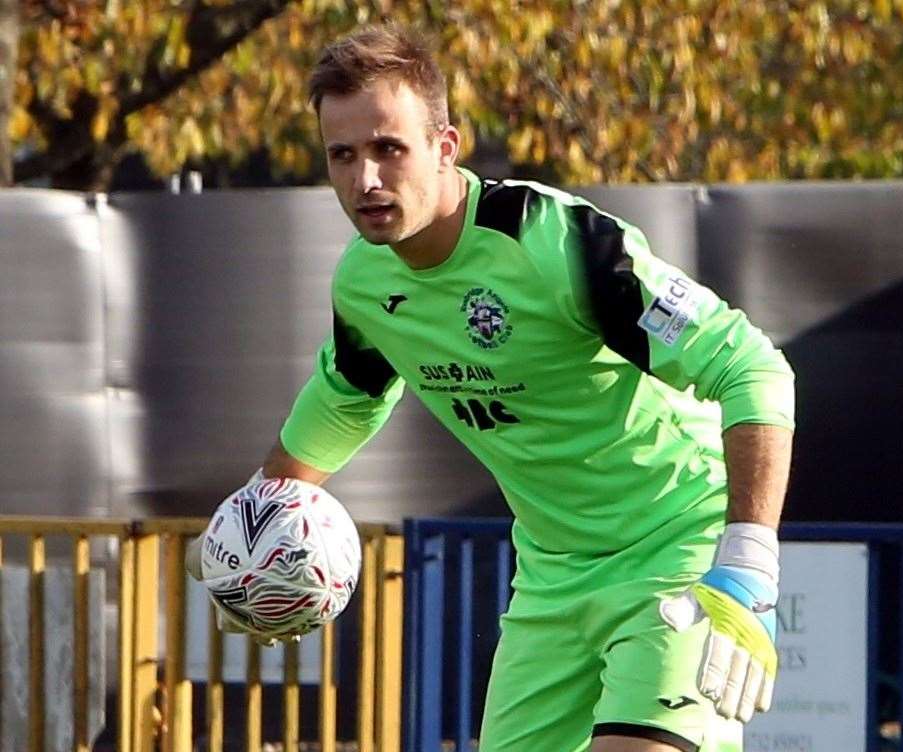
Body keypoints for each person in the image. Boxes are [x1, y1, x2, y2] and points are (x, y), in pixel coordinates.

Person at [189, 23, 794, 752]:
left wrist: (747, 566)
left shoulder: (550, 242)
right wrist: (243, 545)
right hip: (551, 583)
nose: (366, 180)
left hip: (677, 556)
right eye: (342, 156)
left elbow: (753, 368)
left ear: (445, 147)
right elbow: (346, 399)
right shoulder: (364, 282)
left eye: (389, 148)